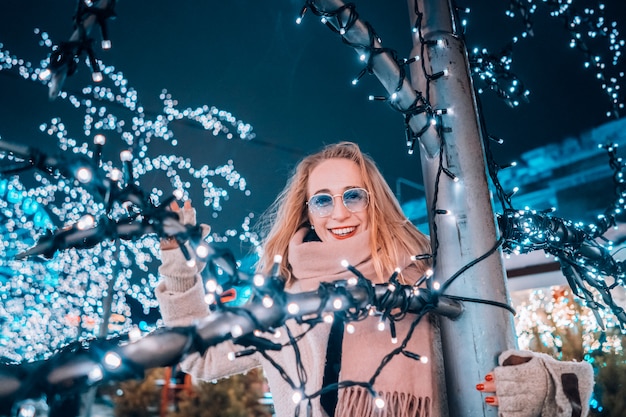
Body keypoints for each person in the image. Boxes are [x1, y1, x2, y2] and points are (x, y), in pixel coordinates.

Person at [156, 142, 594, 417]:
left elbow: (514, 361)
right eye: (322, 200)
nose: (339, 213)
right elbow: (202, 356)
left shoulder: (428, 278)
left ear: (375, 201)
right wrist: (178, 262)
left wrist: (537, 382)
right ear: (307, 211)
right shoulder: (284, 298)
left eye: (352, 196)